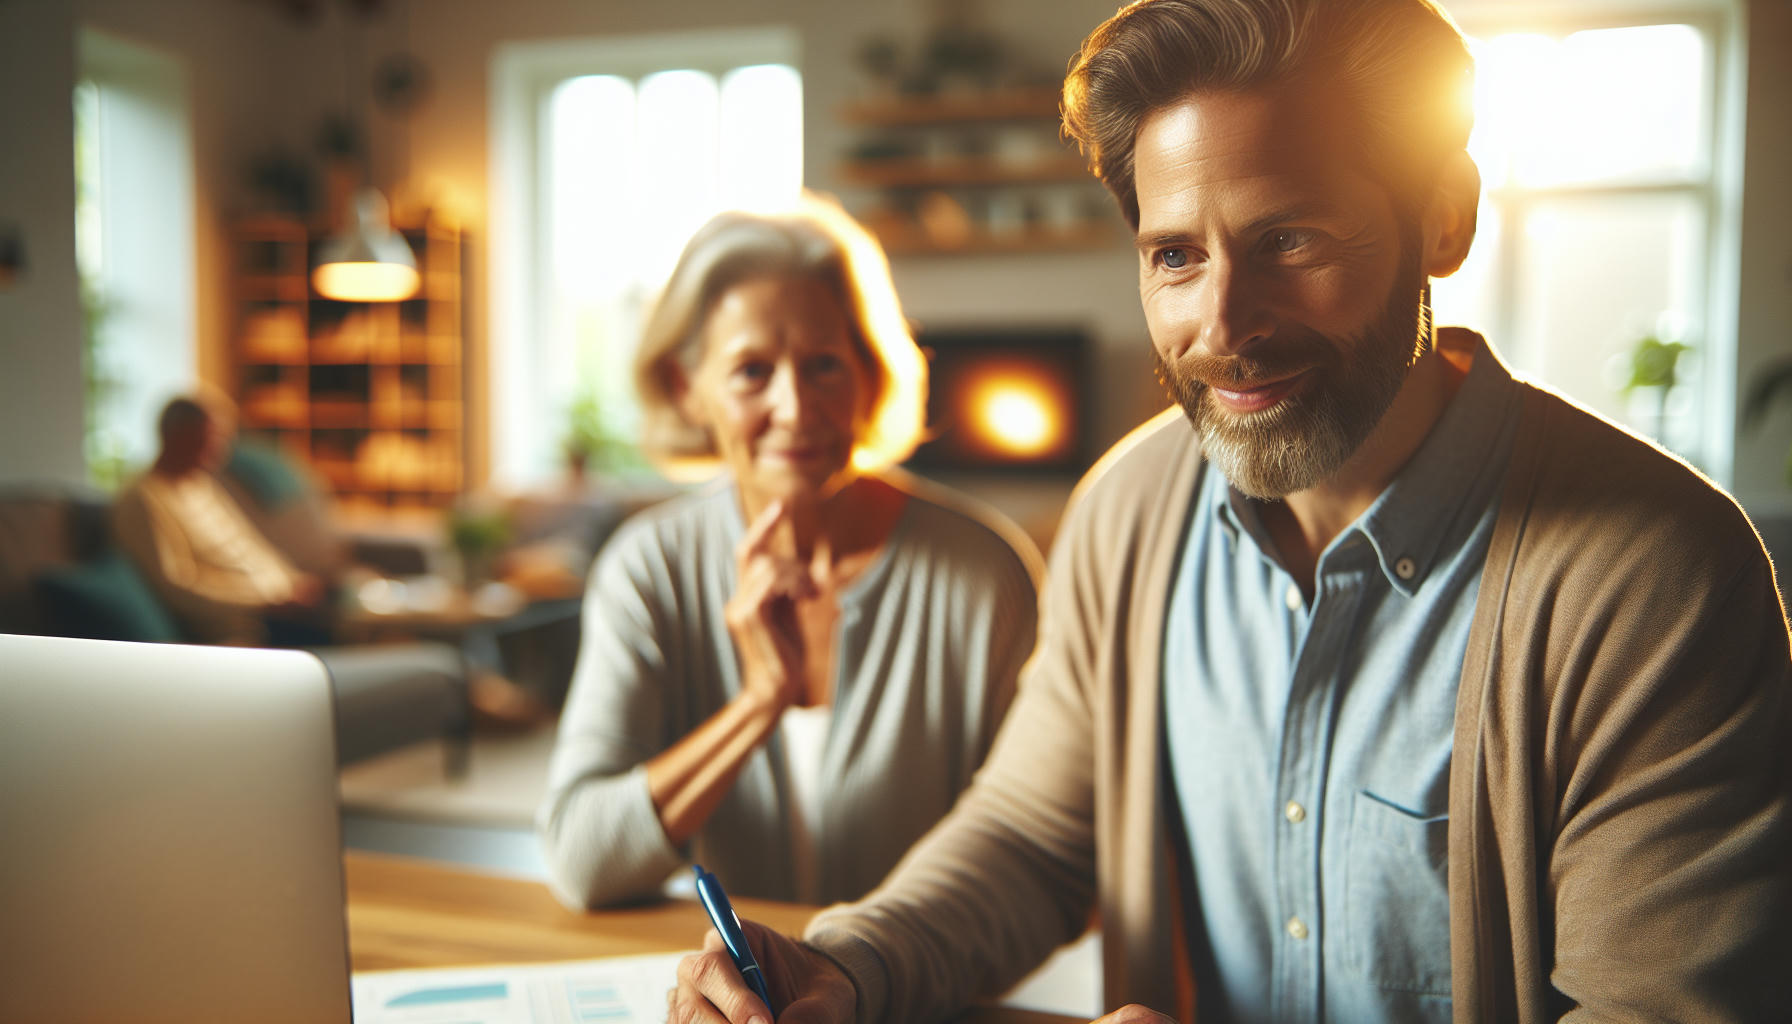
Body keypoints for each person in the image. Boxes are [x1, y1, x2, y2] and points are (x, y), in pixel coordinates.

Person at [669, 2, 1792, 1022]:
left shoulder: (1656, 573)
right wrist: (848, 963)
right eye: (1174, 255)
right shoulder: (1124, 510)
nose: (1222, 323)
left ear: (1441, 220)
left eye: (1287, 240)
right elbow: (1028, 836)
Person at [536, 199, 1043, 909]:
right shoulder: (648, 569)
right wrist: (756, 705)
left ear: (868, 376)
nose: (796, 408)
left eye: (825, 365)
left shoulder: (983, 573)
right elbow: (582, 859)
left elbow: (1039, 854)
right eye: (751, 371)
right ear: (688, 390)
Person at [113, 392, 330, 646]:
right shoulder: (142, 499)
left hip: (279, 603)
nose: (221, 447)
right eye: (212, 437)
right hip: (242, 621)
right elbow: (178, 584)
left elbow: (247, 545)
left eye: (224, 437)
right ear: (176, 435)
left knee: (356, 611)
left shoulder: (200, 484)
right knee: (345, 633)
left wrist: (291, 581)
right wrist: (266, 601)